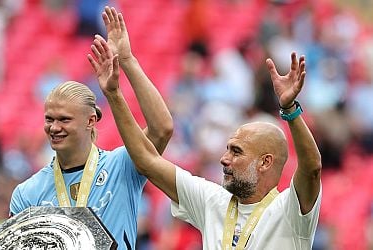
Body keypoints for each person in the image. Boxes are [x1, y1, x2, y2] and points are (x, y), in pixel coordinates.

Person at [89, 31, 322, 249]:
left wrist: (289, 110)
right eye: (227, 149)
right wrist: (118, 84)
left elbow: (311, 168)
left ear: (265, 162)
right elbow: (146, 160)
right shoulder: (212, 201)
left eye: (236, 152)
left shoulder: (289, 211)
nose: (224, 159)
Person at [9, 6, 173, 250]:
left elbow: (162, 129)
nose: (54, 128)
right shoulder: (26, 193)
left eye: (64, 120)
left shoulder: (122, 166)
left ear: (90, 121)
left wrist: (125, 62)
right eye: (49, 119)